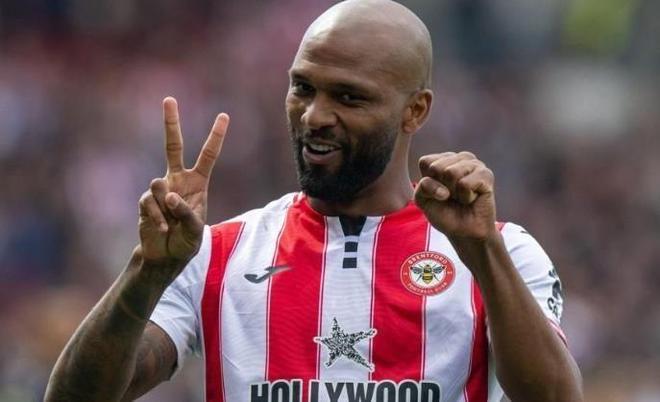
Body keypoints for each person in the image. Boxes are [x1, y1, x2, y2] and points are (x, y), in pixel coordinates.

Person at [45, 0, 583, 401]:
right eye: (303, 87)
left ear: (415, 110)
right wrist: (147, 271)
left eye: (349, 97)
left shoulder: (501, 251)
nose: (315, 115)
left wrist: (483, 253)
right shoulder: (215, 254)